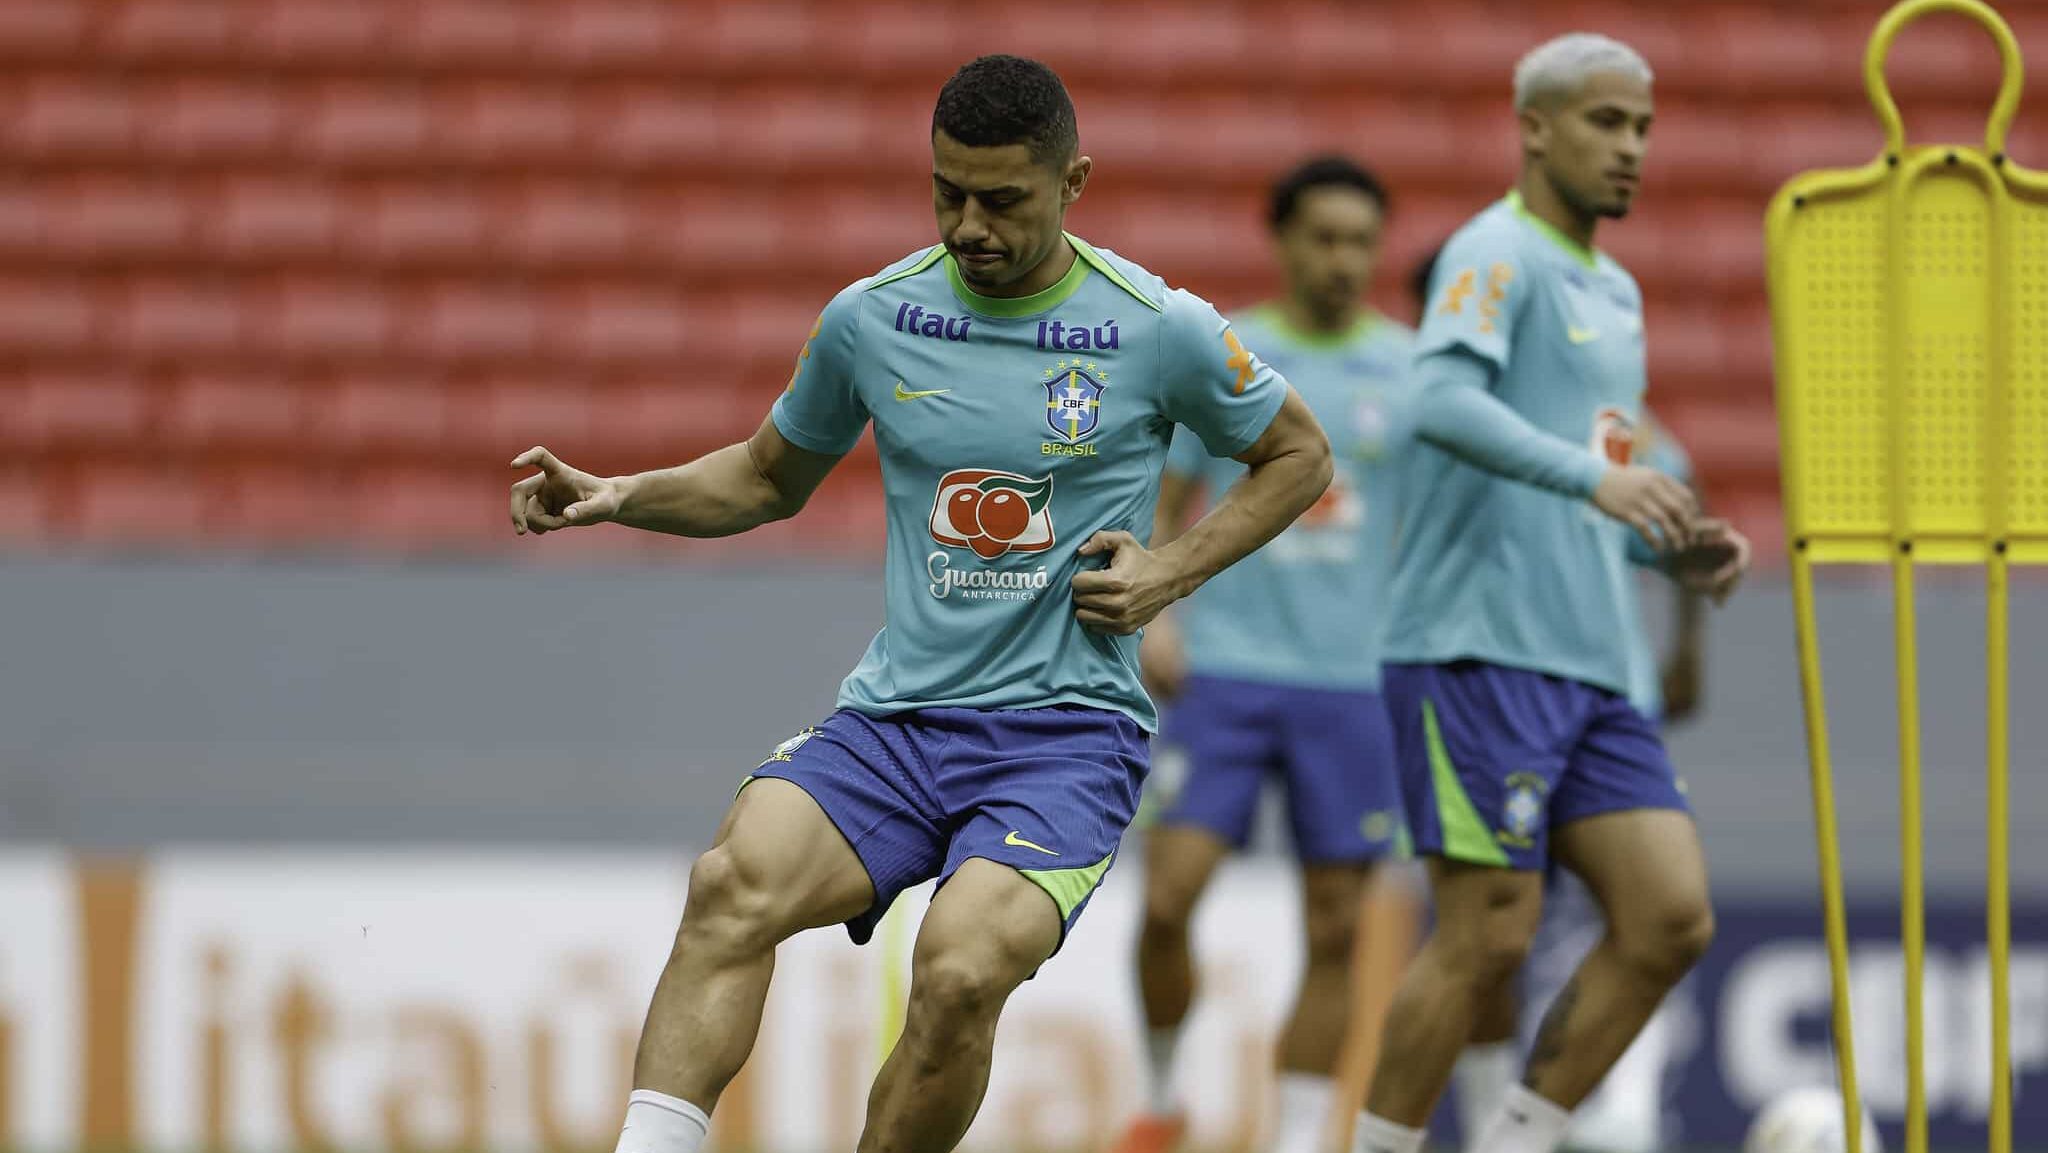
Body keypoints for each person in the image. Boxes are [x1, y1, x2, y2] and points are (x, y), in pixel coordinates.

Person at [507, 54, 1333, 1153]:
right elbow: (764, 478)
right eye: (948, 193)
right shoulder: (874, 317)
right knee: (731, 885)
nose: (968, 226)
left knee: (958, 970)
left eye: (1002, 200)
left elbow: (1299, 456)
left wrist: (1169, 571)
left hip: (1065, 738)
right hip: (897, 722)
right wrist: (620, 494)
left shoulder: (1155, 326)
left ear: (1073, 181)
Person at [1346, 33, 1752, 1153]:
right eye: (1604, 122)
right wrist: (1595, 479)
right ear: (1534, 128)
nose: (1630, 149)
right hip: (1479, 649)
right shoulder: (1495, 251)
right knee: (1487, 933)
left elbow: (1591, 472)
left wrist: (1669, 552)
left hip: (1590, 660)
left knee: (1669, 916)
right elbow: (1437, 402)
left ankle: (1516, 1138)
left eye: (1641, 128)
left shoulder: (1613, 289)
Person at [1114, 156, 1414, 1153]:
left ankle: (1295, 1139)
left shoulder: (1410, 373)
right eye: (1322, 237)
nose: (1342, 259)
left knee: (1336, 926)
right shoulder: (1233, 356)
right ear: (1282, 240)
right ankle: (1161, 1099)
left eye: (1359, 241)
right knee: (1167, 898)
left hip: (1354, 683)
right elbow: (1165, 498)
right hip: (1225, 673)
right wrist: (1157, 616)